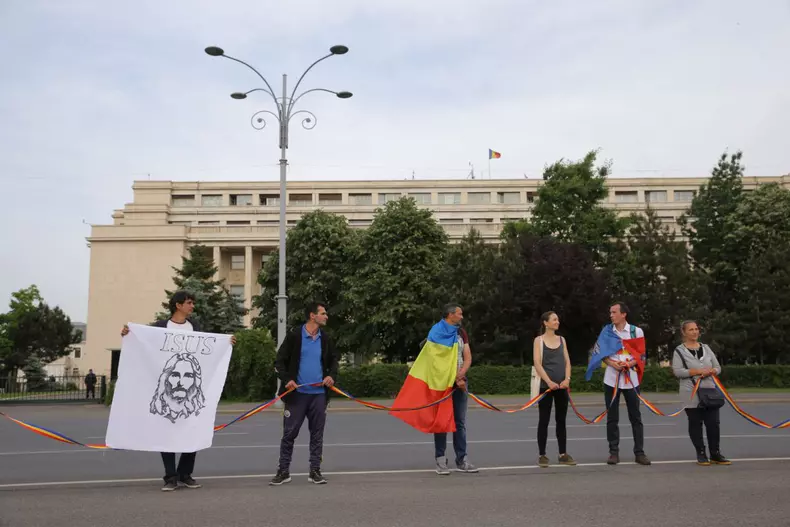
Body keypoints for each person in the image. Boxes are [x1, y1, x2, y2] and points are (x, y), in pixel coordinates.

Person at [121, 289, 236, 491]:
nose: (192, 306)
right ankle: (170, 477)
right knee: (166, 434)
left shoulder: (195, 327)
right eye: (189, 302)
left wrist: (227, 343)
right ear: (178, 305)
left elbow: (208, 351)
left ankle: (185, 474)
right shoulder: (160, 327)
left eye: (192, 302)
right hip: (169, 389)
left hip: (190, 390)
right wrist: (128, 334)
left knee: (193, 430)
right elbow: (144, 342)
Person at [270, 302, 340, 486]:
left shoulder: (325, 338)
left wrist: (331, 376)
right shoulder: (294, 336)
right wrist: (287, 380)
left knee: (317, 434)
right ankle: (283, 471)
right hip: (297, 395)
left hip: (318, 395)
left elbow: (334, 361)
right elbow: (279, 361)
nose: (326, 316)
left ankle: (315, 471)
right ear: (312, 316)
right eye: (323, 313)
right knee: (289, 434)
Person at [672, 320, 731, 466]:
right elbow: (678, 372)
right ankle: (701, 452)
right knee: (695, 423)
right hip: (690, 393)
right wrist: (697, 371)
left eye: (696, 329)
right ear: (684, 332)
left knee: (713, 424)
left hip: (710, 391)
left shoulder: (706, 348)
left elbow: (717, 367)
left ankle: (715, 453)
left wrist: (712, 371)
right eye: (691, 329)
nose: (695, 332)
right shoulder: (679, 351)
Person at [601, 302, 651, 466]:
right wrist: (611, 363)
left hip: (631, 379)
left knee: (635, 417)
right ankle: (613, 452)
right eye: (610, 312)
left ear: (623, 314)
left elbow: (642, 354)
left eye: (614, 312)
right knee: (612, 418)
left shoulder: (635, 331)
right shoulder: (607, 331)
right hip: (611, 379)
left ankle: (640, 452)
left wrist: (629, 364)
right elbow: (600, 353)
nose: (611, 315)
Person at [433, 304, 477, 475]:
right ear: (450, 315)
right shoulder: (436, 332)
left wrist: (460, 376)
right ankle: (440, 460)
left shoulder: (461, 333)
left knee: (460, 422)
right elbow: (436, 361)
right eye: (459, 314)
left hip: (460, 383)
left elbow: (467, 357)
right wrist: (452, 378)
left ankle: (462, 459)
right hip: (442, 384)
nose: (462, 317)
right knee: (442, 422)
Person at [532, 311, 575, 468]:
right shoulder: (539, 340)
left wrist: (567, 380)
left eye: (558, 319)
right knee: (544, 420)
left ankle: (563, 453)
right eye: (554, 319)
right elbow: (537, 363)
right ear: (546, 323)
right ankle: (542, 455)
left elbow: (567, 362)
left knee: (561, 420)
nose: (558, 322)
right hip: (546, 387)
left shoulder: (562, 340)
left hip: (561, 387)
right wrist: (548, 382)